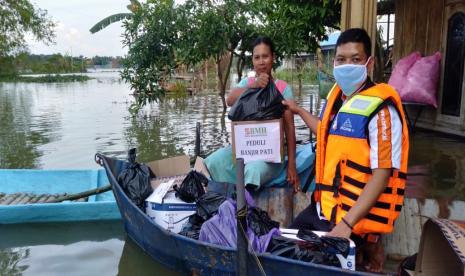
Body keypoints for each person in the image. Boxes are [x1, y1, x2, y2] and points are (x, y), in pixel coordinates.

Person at [283, 28, 409, 272]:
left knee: (307, 265)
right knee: (285, 247)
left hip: (354, 218)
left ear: (369, 63)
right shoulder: (337, 97)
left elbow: (382, 174)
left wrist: (346, 224)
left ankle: (367, 248)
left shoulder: (382, 111)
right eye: (341, 59)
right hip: (324, 208)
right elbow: (324, 132)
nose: (346, 65)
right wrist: (297, 110)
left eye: (355, 59)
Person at [204, 36, 299, 191]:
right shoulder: (246, 84)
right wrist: (254, 86)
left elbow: (289, 128)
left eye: (265, 56)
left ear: (273, 58)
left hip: (271, 156)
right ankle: (225, 199)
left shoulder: (283, 89)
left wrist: (292, 165)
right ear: (253, 61)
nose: (261, 62)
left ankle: (244, 208)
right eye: (257, 57)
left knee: (253, 170)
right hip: (245, 149)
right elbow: (230, 100)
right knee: (214, 161)